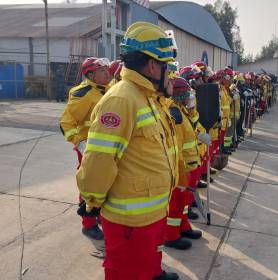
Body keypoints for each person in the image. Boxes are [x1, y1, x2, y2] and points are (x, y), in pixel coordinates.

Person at [76, 22, 179, 280]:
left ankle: (153, 272)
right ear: (153, 65)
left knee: (147, 263)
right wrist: (92, 202)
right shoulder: (121, 99)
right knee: (127, 272)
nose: (170, 74)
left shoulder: (146, 97)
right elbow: (99, 160)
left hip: (150, 213)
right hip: (130, 221)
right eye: (167, 67)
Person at [59, 56, 110, 241]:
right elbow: (66, 122)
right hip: (89, 148)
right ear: (90, 74)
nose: (107, 73)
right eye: (102, 71)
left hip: (107, 149)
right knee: (90, 186)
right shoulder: (84, 93)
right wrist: (80, 143)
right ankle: (88, 225)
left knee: (106, 184)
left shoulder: (109, 90)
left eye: (106, 70)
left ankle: (101, 216)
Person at [165, 77, 204, 251]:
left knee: (184, 202)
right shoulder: (175, 114)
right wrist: (180, 170)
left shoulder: (182, 111)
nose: (190, 96)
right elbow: (176, 146)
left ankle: (183, 226)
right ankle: (171, 235)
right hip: (183, 167)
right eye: (187, 93)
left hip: (190, 164)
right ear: (179, 95)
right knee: (176, 202)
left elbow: (193, 127)